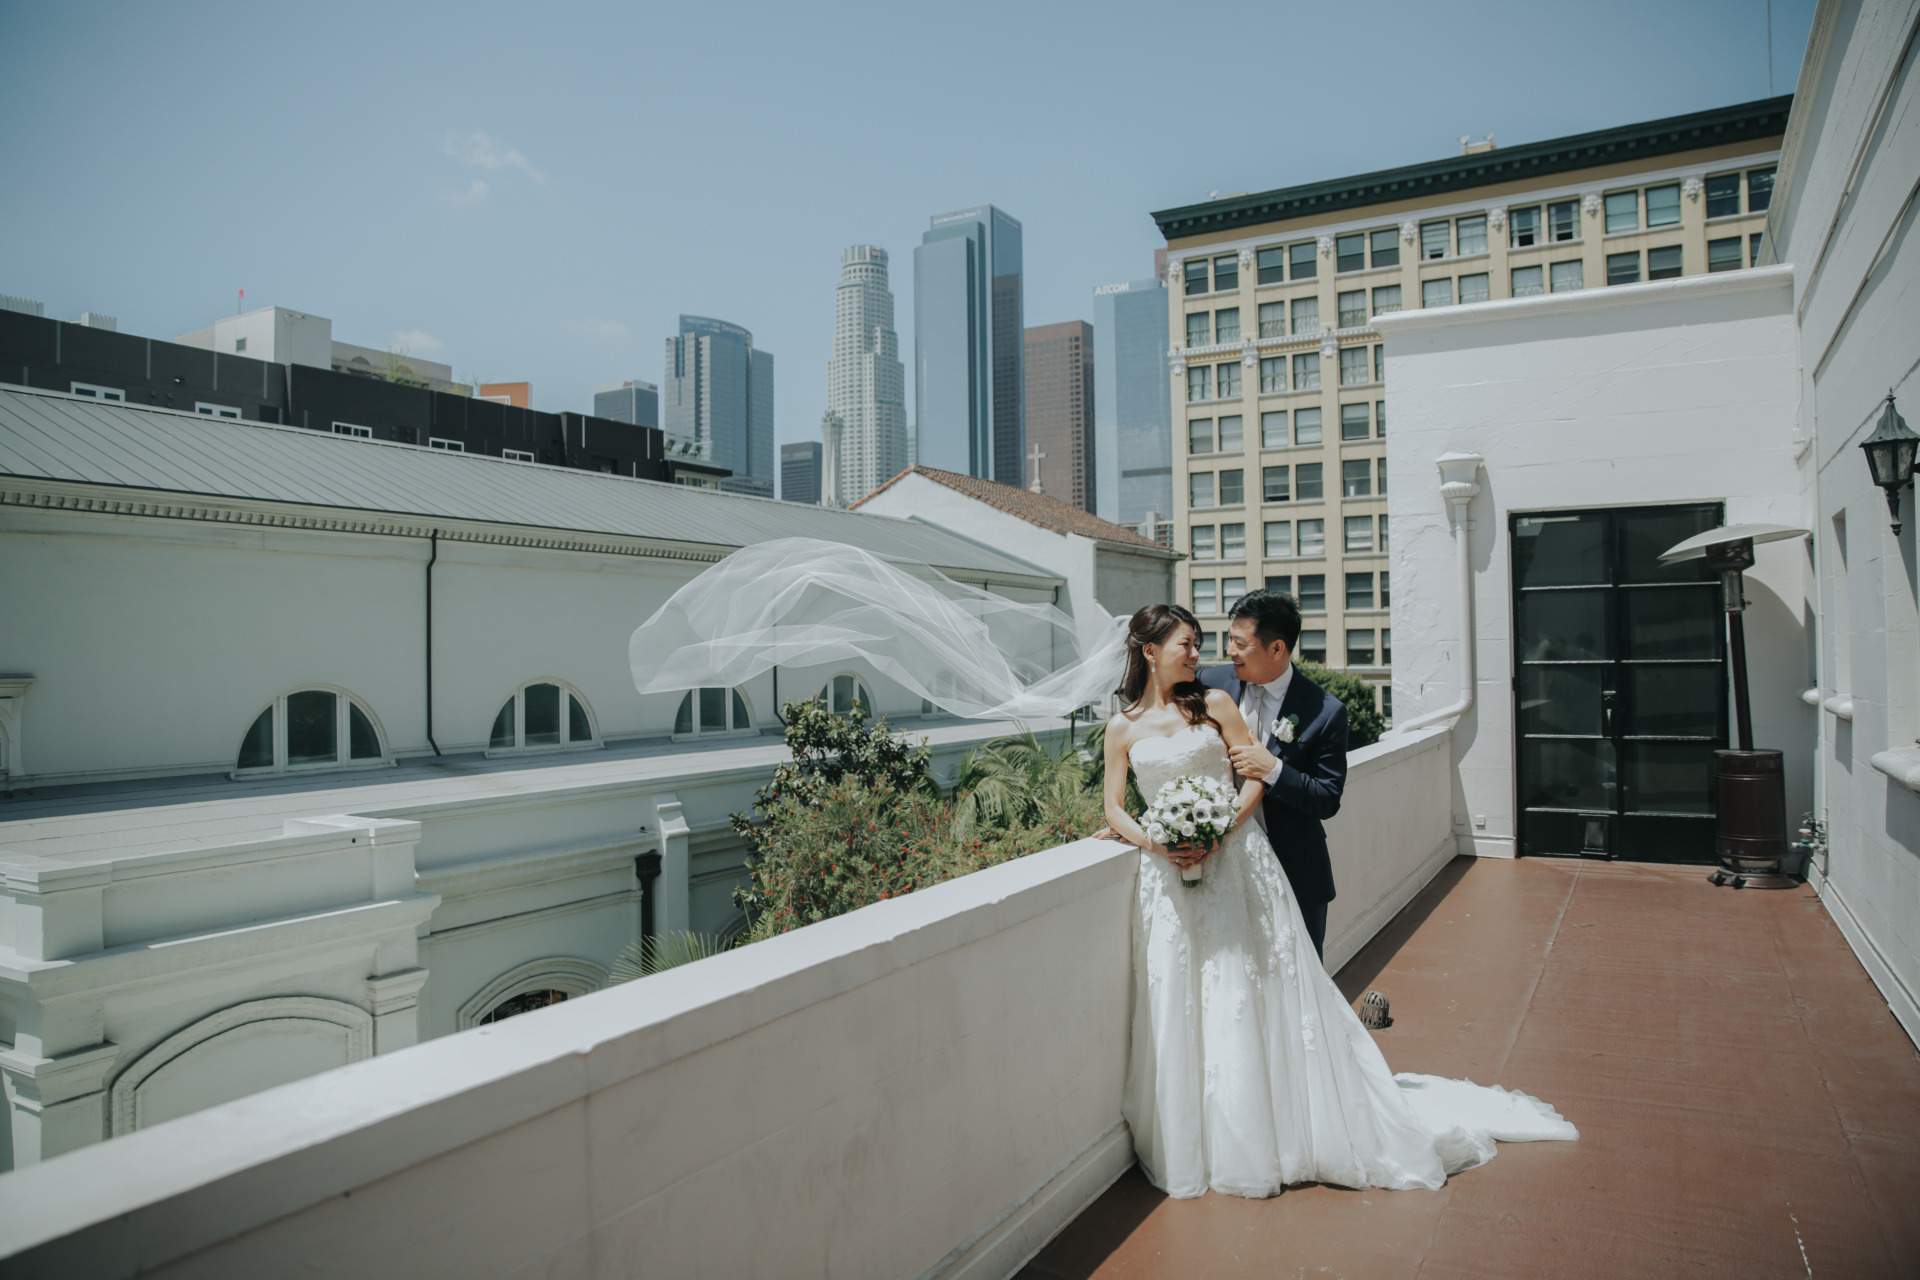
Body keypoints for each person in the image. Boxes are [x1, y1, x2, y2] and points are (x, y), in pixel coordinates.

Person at [1101, 603, 1576, 1198]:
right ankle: (1211, 1130)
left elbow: (1299, 788)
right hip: (1173, 876)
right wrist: (1157, 838)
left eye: (1224, 642)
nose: (1211, 654)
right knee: (1200, 993)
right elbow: (1115, 802)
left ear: (1278, 648)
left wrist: (1222, 828)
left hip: (1252, 862)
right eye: (1192, 644)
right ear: (1150, 651)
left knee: (1272, 990)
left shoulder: (1279, 708)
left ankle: (1296, 1118)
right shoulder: (1151, 712)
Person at [1200, 589, 1344, 958]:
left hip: (1295, 869)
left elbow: (1327, 798)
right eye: (1229, 639)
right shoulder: (1210, 683)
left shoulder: (1325, 712)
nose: (1229, 650)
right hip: (1223, 866)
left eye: (1239, 642)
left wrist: (1274, 770)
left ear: (1277, 649)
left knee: (1301, 982)